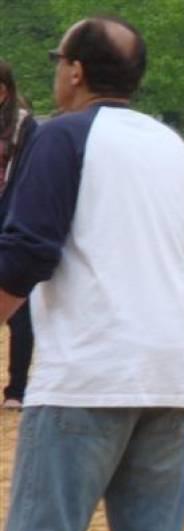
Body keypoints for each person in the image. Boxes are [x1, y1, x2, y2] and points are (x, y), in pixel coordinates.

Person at [0, 17, 184, 531]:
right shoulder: (174, 146)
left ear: (75, 71)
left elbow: (26, 251)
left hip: (86, 375)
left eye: (59, 61)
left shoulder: (61, 137)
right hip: (170, 379)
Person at [0, 60, 37, 410]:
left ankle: (17, 388)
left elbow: (27, 178)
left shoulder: (24, 126)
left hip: (10, 220)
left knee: (19, 309)